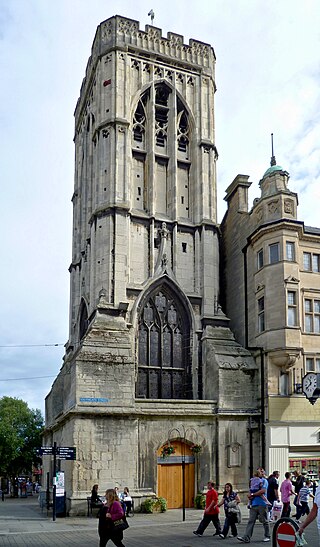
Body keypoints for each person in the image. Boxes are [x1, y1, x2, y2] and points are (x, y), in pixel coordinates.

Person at [237, 467, 271, 543]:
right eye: (259, 471)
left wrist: (253, 494)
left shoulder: (264, 481)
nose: (261, 472)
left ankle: (267, 535)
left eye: (262, 471)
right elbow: (250, 489)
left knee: (264, 520)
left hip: (262, 503)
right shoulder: (253, 481)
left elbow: (263, 491)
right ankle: (246, 537)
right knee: (251, 521)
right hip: (254, 504)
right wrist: (250, 497)